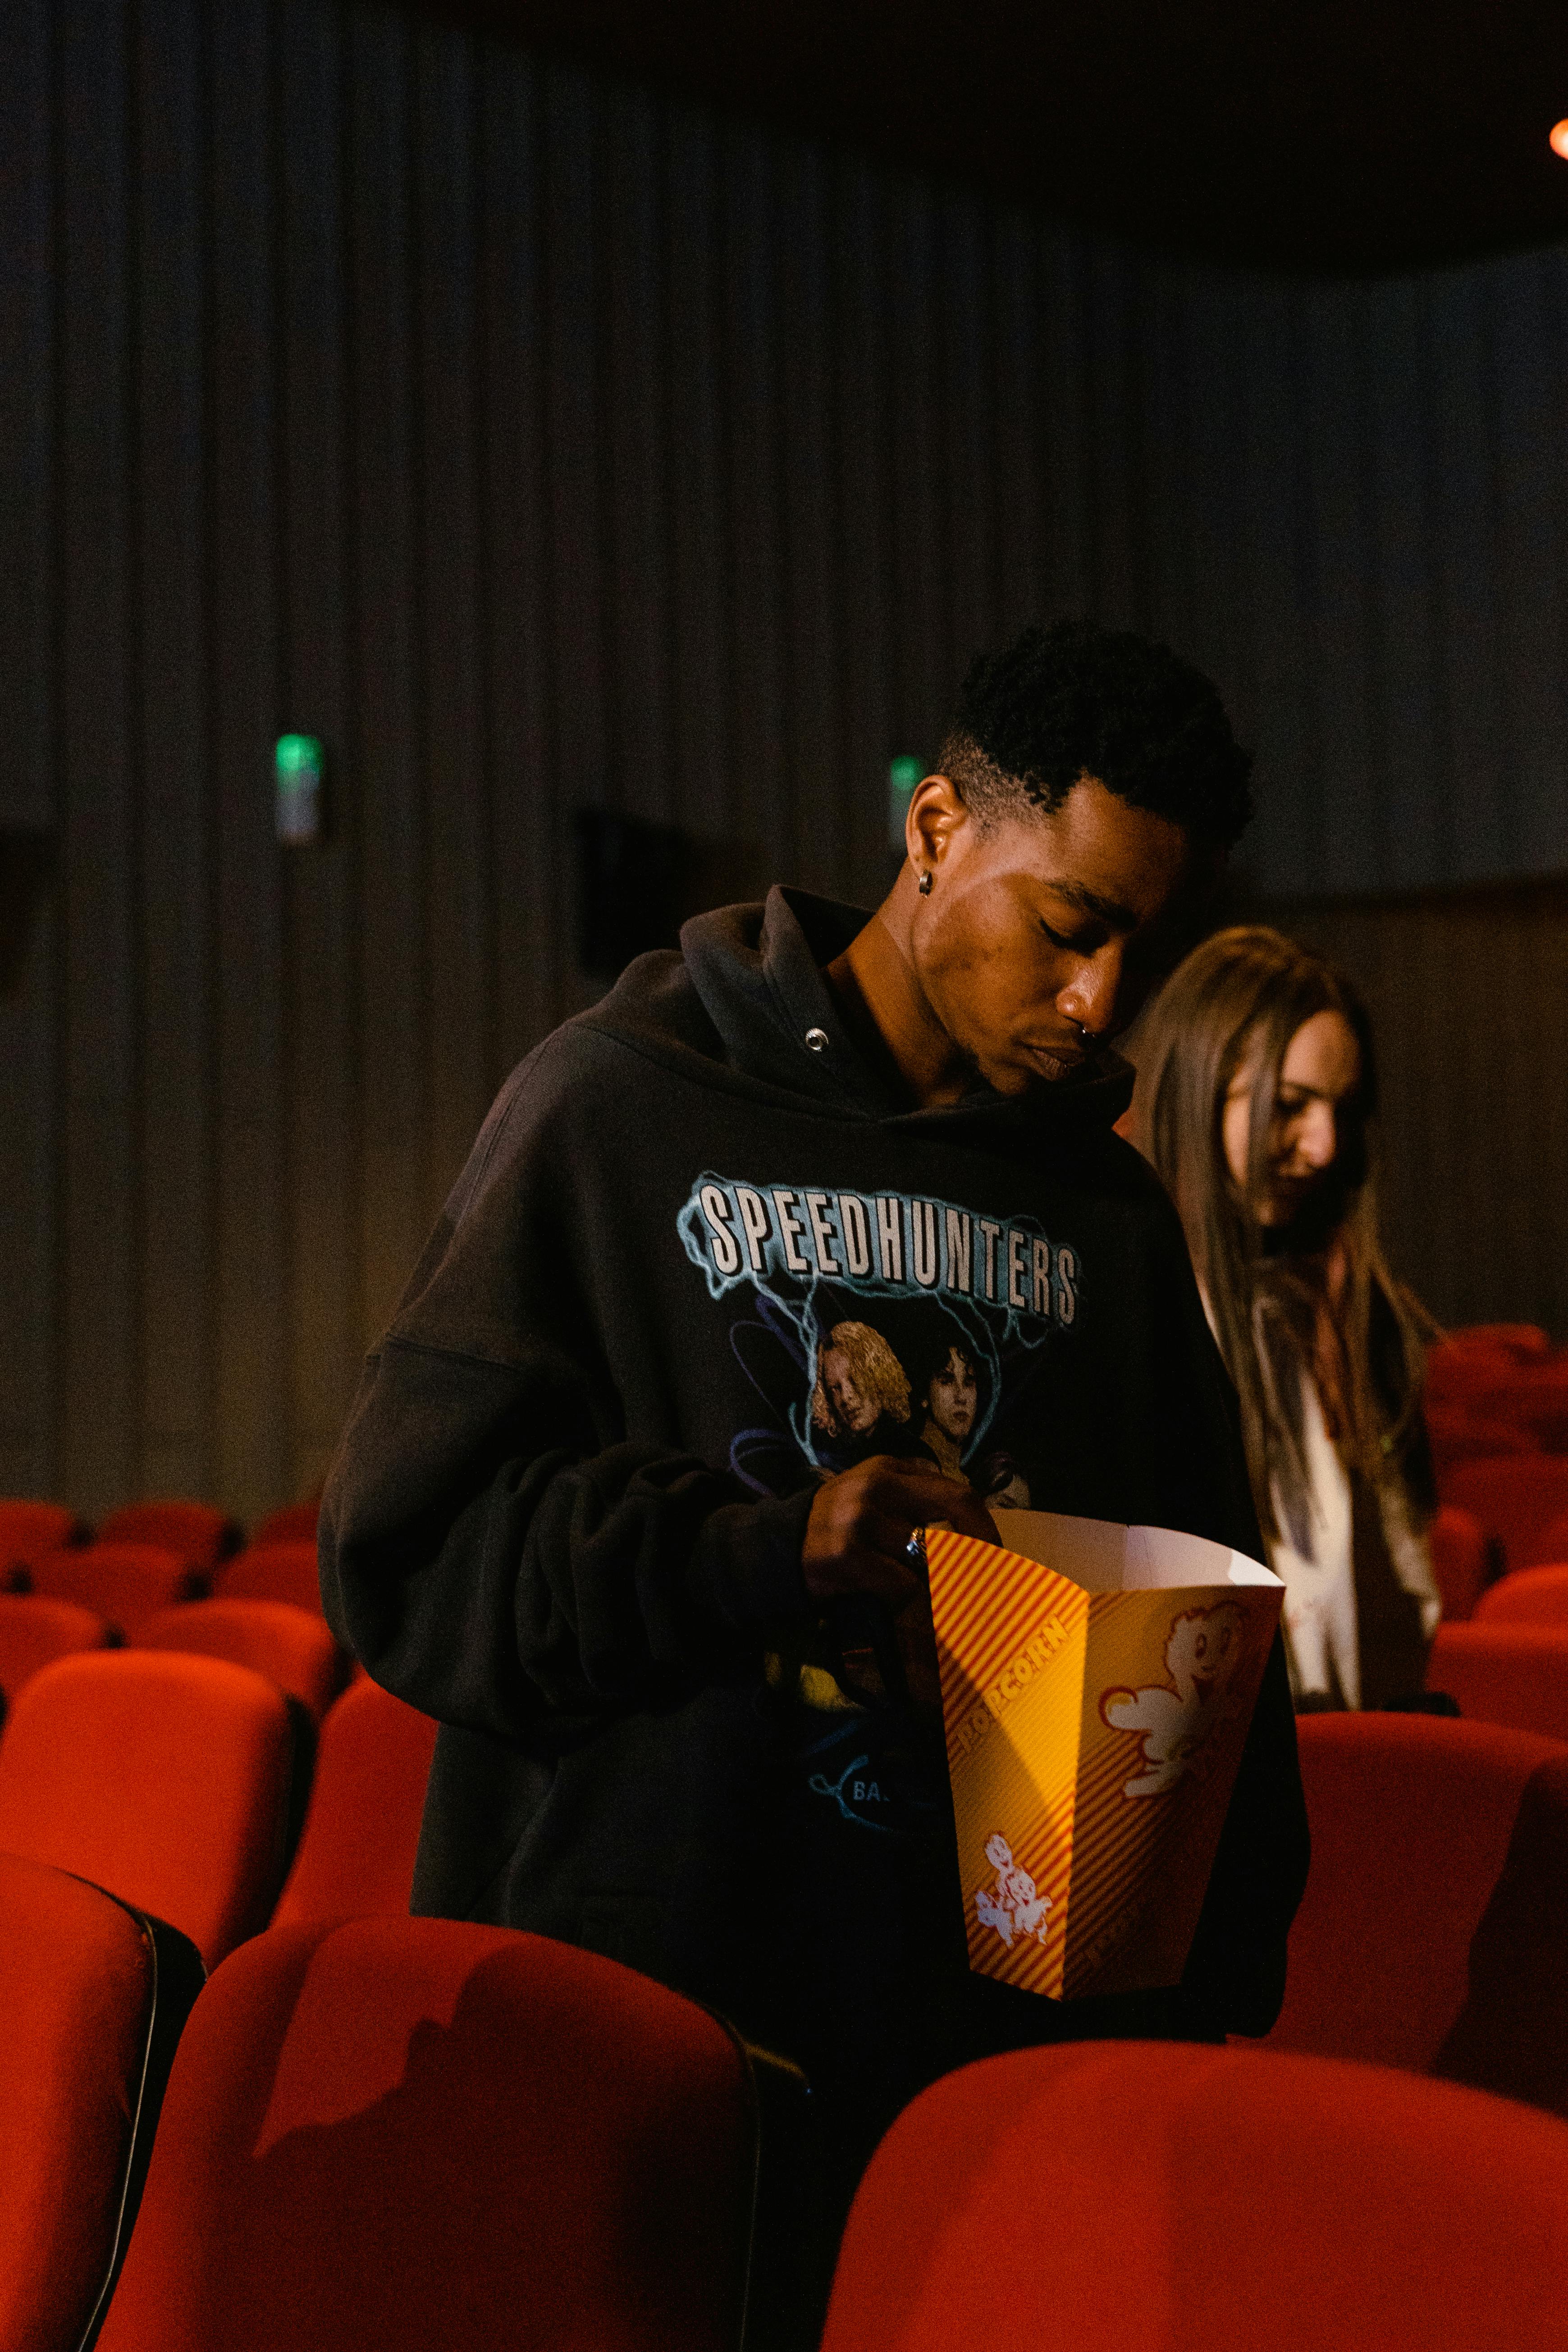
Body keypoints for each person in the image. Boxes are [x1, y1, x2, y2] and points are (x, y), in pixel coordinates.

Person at [320, 619, 1308, 2222]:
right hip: (641, 2045)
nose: (1099, 997)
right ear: (936, 828)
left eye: (1138, 946)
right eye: (1069, 925)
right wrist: (760, 1553)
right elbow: (412, 1546)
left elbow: (1207, 1680)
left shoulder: (1108, 1217)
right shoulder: (615, 1102)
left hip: (974, 2079)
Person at [1129, 924, 1440, 1711]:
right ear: (1199, 1086)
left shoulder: (1335, 1305)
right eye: (1291, 1105)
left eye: (1341, 1110)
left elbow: (1404, 1596)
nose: (1326, 1145)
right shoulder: (1128, 1308)